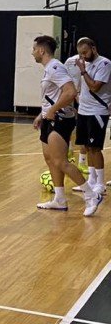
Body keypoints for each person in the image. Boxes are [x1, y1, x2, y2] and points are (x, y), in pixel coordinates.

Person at [31, 35, 100, 216]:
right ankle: (59, 199)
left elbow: (70, 92)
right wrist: (41, 115)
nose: (32, 53)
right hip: (49, 119)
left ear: (41, 50)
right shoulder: (49, 69)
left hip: (60, 120)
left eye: (34, 49)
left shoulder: (55, 67)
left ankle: (91, 195)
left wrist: (53, 110)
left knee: (61, 161)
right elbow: (53, 96)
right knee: (49, 159)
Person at [72, 37, 110, 197]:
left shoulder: (105, 64)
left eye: (85, 52)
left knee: (95, 148)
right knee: (87, 147)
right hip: (84, 110)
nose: (83, 56)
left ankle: (100, 184)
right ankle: (92, 180)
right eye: (80, 53)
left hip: (97, 111)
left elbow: (95, 87)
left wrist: (82, 70)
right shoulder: (85, 64)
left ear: (93, 48)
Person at [64, 51, 89, 170]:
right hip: (74, 95)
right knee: (68, 125)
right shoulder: (71, 62)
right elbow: (69, 85)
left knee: (85, 131)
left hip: (87, 98)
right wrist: (75, 98)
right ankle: (68, 150)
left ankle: (82, 162)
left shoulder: (97, 63)